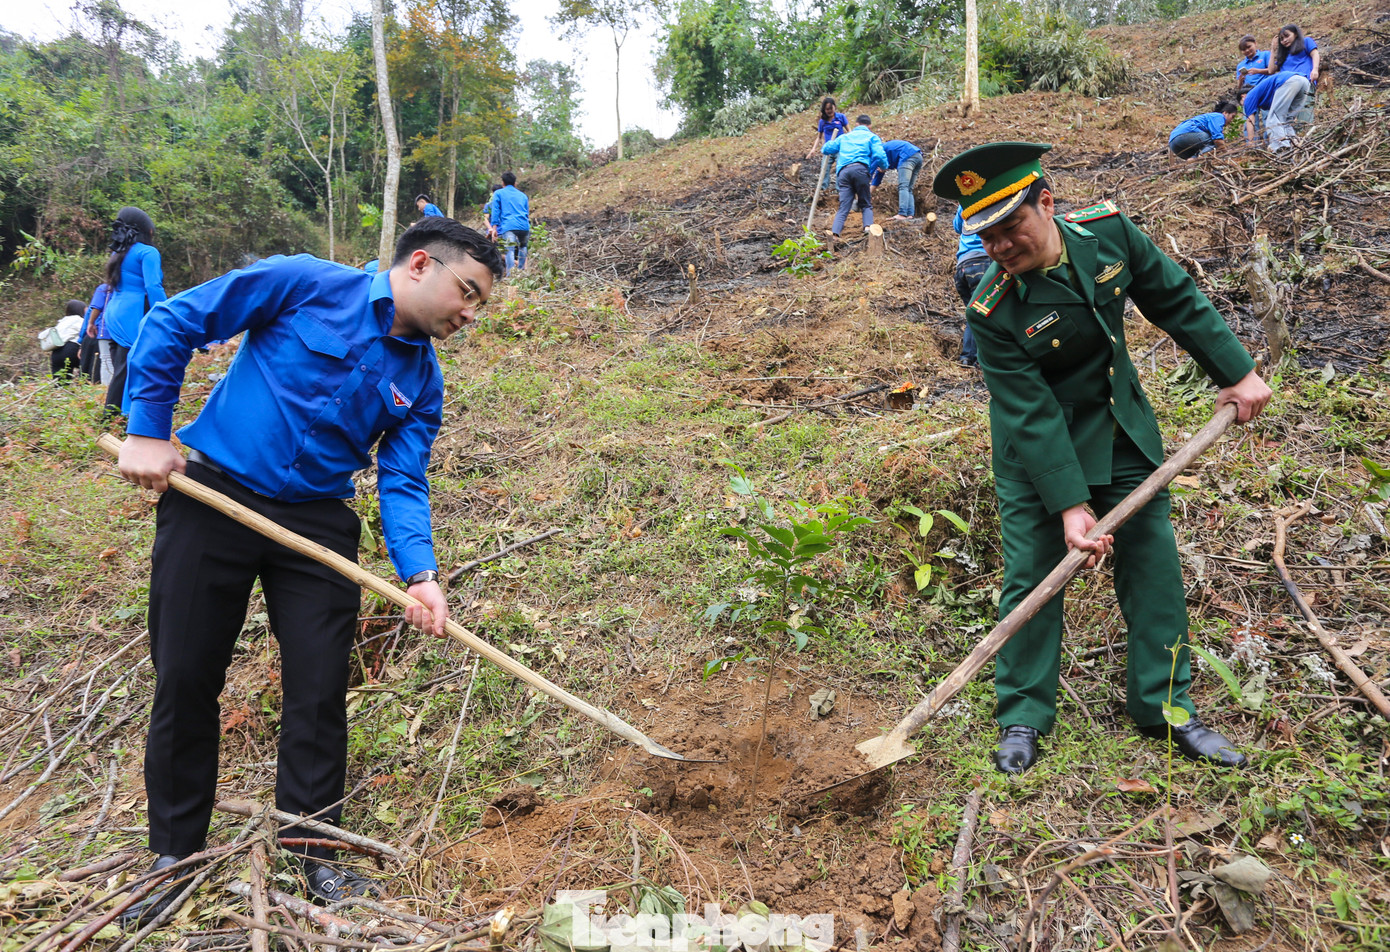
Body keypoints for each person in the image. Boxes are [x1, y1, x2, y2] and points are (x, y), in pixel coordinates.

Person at [113, 217, 504, 926]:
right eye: (468, 292)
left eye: (478, 303)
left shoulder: (423, 383)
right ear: (421, 264)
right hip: (215, 499)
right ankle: (174, 854)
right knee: (186, 675)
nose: (470, 314)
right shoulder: (303, 283)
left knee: (321, 690)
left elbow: (403, 482)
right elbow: (177, 320)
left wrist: (420, 574)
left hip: (318, 526)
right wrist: (146, 429)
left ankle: (312, 850)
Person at [930, 142, 1272, 775]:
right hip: (1038, 457)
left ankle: (1166, 708)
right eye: (986, 235)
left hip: (1119, 432)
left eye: (1011, 227)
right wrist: (1069, 505)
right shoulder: (992, 308)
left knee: (1153, 570)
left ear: (1047, 203)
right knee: (1033, 577)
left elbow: (1175, 297)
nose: (1001, 246)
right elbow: (1028, 413)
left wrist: (1237, 371)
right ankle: (1024, 715)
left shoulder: (1108, 234)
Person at [101, 207, 166, 418]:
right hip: (132, 313)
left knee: (124, 364)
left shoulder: (118, 252)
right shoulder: (148, 252)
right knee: (131, 365)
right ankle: (115, 415)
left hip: (114, 311)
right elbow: (153, 286)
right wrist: (166, 313)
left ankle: (117, 413)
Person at [822, 115, 888, 239]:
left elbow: (826, 149)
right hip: (860, 170)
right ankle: (868, 228)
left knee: (843, 207)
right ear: (869, 126)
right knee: (865, 203)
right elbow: (879, 154)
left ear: (856, 124)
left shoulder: (844, 137)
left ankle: (835, 234)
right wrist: (884, 166)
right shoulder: (872, 137)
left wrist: (830, 143)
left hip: (843, 173)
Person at [952, 207, 990, 367]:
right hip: (983, 262)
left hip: (963, 266)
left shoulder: (964, 205)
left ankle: (967, 357)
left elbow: (956, 227)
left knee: (975, 312)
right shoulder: (993, 202)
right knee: (987, 313)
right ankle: (980, 359)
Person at [1244, 70, 1309, 151]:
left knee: (1273, 119)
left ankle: (1280, 148)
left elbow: (1250, 121)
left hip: (1288, 81)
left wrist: (1250, 142)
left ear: (1243, 96)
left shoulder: (1248, 97)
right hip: (1304, 82)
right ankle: (1293, 145)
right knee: (1287, 120)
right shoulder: (1264, 93)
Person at [870, 139, 925, 221]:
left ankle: (902, 214)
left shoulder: (877, 154)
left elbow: (869, 173)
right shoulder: (882, 153)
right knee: (908, 188)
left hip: (907, 156)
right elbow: (877, 178)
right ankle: (910, 214)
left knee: (903, 186)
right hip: (918, 157)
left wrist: (863, 195)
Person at [490, 171, 531, 275]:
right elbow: (526, 212)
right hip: (524, 226)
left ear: (503, 183)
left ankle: (511, 275)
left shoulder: (499, 193)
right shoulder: (523, 195)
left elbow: (496, 211)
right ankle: (521, 272)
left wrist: (494, 227)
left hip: (509, 226)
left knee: (510, 250)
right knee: (523, 247)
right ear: (515, 183)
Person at [1168, 101, 1239, 159]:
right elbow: (1217, 139)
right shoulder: (1218, 116)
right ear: (1225, 113)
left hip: (1173, 143)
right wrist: (1226, 152)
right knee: (1214, 142)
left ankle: (1193, 161)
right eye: (1232, 117)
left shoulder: (1209, 116)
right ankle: (1200, 158)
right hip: (1184, 136)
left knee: (1196, 155)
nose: (1231, 120)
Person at [806, 97, 849, 192]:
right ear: (824, 110)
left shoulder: (841, 117)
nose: (829, 111)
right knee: (824, 168)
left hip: (840, 148)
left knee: (840, 168)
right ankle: (823, 188)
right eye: (827, 109)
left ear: (834, 107)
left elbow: (849, 131)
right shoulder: (822, 121)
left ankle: (839, 189)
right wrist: (813, 149)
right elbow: (819, 137)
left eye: (831, 108)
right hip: (828, 148)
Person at [39, 300, 86, 381]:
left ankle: (61, 392)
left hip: (56, 352)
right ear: (80, 309)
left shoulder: (62, 321)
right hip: (72, 349)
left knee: (60, 382)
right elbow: (87, 332)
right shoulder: (79, 320)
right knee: (87, 370)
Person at [85, 283, 115, 385]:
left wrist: (91, 323)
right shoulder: (132, 287)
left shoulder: (105, 289)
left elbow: (96, 308)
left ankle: (107, 389)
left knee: (106, 359)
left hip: (106, 329)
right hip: (125, 329)